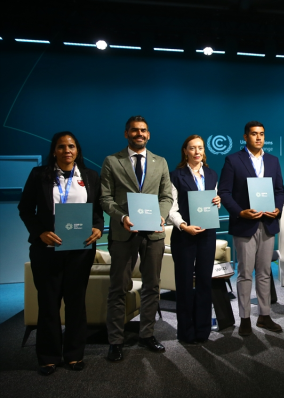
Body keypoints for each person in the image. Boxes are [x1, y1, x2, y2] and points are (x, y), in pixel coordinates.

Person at [18, 131, 103, 375]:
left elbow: (97, 211)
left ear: (78, 151)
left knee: (76, 304)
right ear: (54, 151)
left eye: (72, 146)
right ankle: (48, 357)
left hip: (80, 250)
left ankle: (74, 355)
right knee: (48, 304)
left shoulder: (89, 176)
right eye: (62, 146)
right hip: (47, 251)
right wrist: (40, 232)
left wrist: (97, 227)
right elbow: (25, 209)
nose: (67, 151)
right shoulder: (39, 175)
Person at [100, 116, 173, 361]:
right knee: (119, 287)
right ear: (126, 134)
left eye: (143, 131)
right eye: (134, 130)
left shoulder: (160, 162)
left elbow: (166, 196)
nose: (139, 134)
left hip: (153, 233)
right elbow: (105, 198)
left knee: (152, 286)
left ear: (148, 134)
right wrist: (122, 218)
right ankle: (115, 340)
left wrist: (162, 216)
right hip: (124, 232)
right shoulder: (112, 161)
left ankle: (146, 335)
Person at [218, 121, 284, 336]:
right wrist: (240, 212)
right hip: (245, 224)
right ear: (245, 137)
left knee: (265, 272)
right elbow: (225, 193)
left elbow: (279, 190)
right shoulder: (233, 160)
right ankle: (245, 318)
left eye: (262, 134)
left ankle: (264, 316)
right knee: (245, 274)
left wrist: (277, 208)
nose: (258, 138)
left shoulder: (273, 161)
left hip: (267, 223)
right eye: (254, 134)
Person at [167, 135, 221, 344]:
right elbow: (172, 208)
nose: (197, 151)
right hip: (184, 235)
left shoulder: (211, 174)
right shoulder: (176, 175)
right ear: (185, 151)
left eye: (200, 148)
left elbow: (213, 201)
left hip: (207, 234)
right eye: (192, 148)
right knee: (184, 284)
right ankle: (186, 331)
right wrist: (183, 226)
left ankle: (203, 330)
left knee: (205, 283)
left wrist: (217, 201)